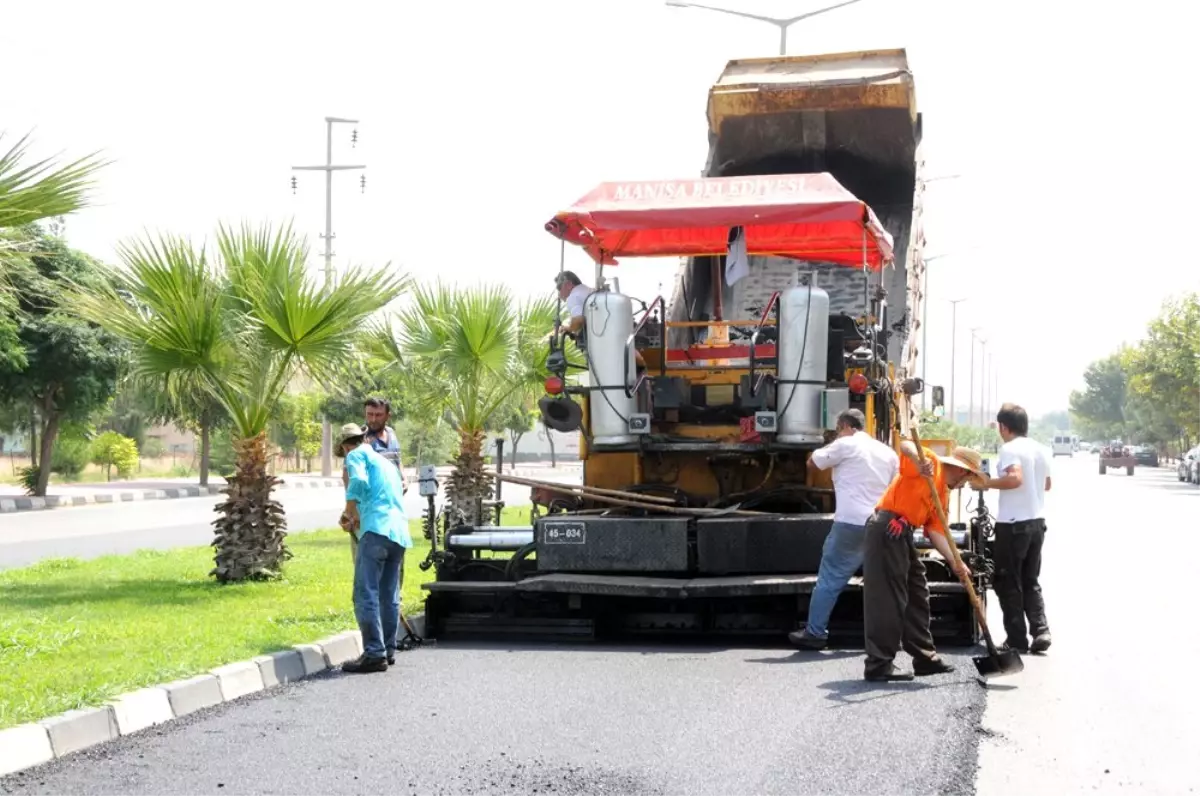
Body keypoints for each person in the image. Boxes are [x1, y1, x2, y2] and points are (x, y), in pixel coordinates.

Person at [862, 442, 986, 682]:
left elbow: (936, 531)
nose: (963, 486)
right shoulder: (931, 464)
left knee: (917, 592)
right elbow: (906, 445)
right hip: (888, 527)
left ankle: (924, 658)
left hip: (904, 532)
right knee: (888, 598)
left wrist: (955, 561)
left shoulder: (942, 494)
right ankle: (878, 664)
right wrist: (920, 462)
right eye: (967, 480)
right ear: (963, 472)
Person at [789, 409, 898, 650]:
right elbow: (895, 488)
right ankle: (886, 638)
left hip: (849, 523)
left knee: (830, 579)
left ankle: (815, 633)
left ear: (845, 426)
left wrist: (831, 444)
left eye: (839, 430)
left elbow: (812, 463)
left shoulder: (845, 444)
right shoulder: (888, 453)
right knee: (881, 584)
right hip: (879, 523)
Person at [336, 422, 412, 674]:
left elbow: (356, 481)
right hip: (398, 533)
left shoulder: (355, 456)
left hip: (376, 531)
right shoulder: (386, 463)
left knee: (365, 593)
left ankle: (374, 653)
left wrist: (348, 512)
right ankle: (388, 649)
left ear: (346, 447)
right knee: (388, 594)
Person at [979, 403, 1052, 654]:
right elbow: (1047, 484)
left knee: (1007, 581)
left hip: (1013, 525)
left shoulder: (1010, 449)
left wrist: (986, 483)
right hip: (1037, 523)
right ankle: (1041, 630)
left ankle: (1017, 639)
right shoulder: (1042, 449)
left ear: (1003, 426)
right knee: (1030, 580)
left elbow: (1014, 478)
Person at [551, 271, 645, 368]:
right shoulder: (590, 291)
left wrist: (569, 329)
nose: (559, 293)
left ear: (569, 284)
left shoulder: (573, 296)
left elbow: (579, 320)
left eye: (559, 288)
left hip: (602, 347)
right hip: (618, 336)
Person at [363, 396, 407, 494]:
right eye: (370, 414)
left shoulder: (391, 433)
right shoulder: (360, 438)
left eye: (378, 415)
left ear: (388, 416)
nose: (373, 419)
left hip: (395, 498)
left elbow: (398, 460)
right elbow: (348, 473)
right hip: (373, 501)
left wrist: (404, 479)